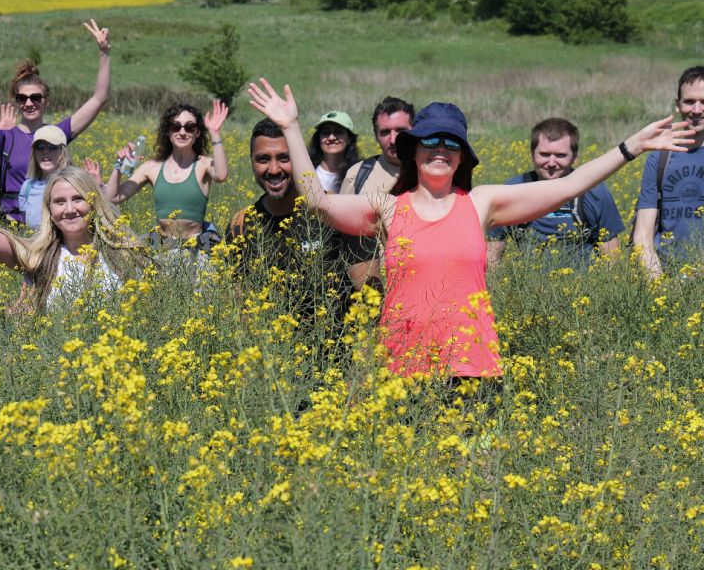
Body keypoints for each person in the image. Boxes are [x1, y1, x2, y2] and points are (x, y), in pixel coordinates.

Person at [247, 79, 691, 380]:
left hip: (472, 365)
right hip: (402, 367)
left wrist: (630, 146)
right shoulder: (386, 206)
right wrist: (289, 127)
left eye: (450, 144)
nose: (440, 150)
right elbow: (320, 202)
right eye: (431, 143)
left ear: (462, 157)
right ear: (413, 151)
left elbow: (570, 185)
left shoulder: (481, 204)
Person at [0, 166, 148, 311]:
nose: (70, 209)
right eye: (60, 202)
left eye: (78, 198)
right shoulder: (41, 258)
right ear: (50, 212)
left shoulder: (124, 253)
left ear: (93, 202)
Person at [0, 22, 112, 223]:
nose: (29, 103)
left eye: (35, 97)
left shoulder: (57, 134)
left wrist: (103, 52)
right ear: (17, 102)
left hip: (53, 224)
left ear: (46, 101)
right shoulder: (6, 137)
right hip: (13, 225)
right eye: (22, 99)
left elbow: (99, 99)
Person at [226, 118, 353, 322]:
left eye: (284, 158)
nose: (274, 169)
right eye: (263, 159)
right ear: (251, 161)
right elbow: (241, 305)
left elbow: (366, 296)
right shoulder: (240, 224)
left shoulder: (334, 212)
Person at [488, 118, 624, 265]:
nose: (551, 163)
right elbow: (492, 254)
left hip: (581, 285)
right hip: (526, 283)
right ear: (532, 154)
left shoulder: (594, 191)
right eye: (544, 154)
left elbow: (611, 258)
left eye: (560, 155)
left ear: (575, 158)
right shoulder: (512, 190)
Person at [106, 102, 229, 243]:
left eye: (190, 128)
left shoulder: (203, 164)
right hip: (163, 249)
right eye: (175, 127)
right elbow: (113, 197)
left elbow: (221, 175)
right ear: (168, 131)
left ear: (198, 133)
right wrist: (119, 166)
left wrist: (214, 133)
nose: (182, 132)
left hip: (197, 249)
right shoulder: (151, 167)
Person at [633, 65, 704, 277]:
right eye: (689, 101)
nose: (697, 109)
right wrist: (658, 286)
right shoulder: (660, 157)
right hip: (667, 276)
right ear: (678, 105)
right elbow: (643, 234)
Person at [341, 97, 415, 288]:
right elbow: (343, 236)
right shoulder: (357, 175)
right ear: (375, 135)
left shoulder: (432, 174)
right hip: (370, 292)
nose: (393, 140)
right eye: (385, 132)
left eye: (401, 131)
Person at [18, 125, 101, 231]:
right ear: (34, 153)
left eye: (52, 147)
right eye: (40, 147)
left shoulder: (75, 184)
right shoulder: (27, 187)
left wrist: (97, 188)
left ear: (62, 152)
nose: (45, 151)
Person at [308, 111, 360, 193]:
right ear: (318, 139)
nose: (331, 137)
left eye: (338, 132)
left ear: (349, 139)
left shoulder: (359, 174)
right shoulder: (307, 173)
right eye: (326, 132)